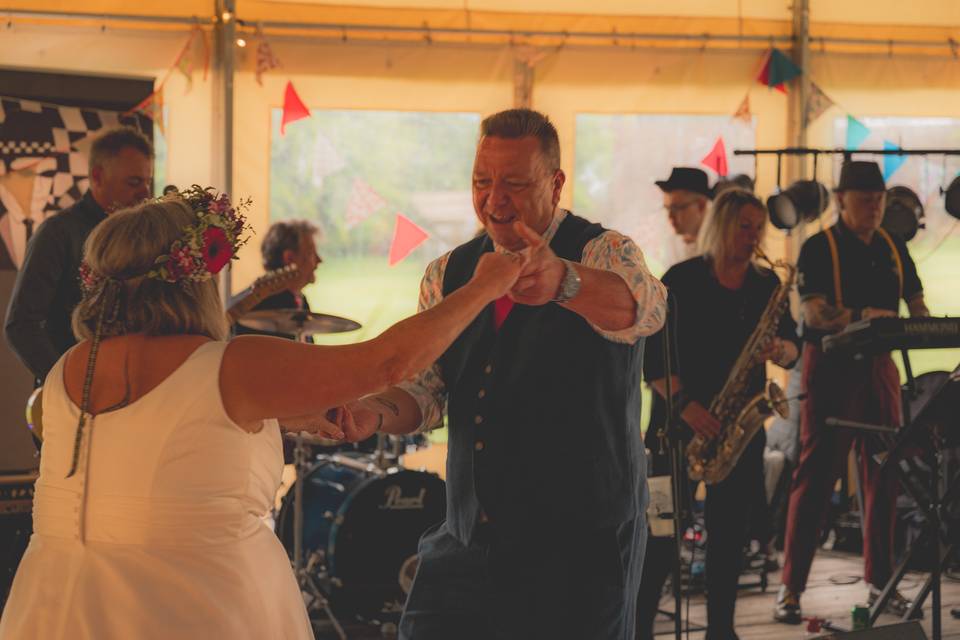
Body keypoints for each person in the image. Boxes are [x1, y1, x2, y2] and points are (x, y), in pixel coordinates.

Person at [0, 188, 526, 640]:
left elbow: (154, 438)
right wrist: (483, 287)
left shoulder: (71, 367)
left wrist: (284, 418)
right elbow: (386, 363)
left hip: (60, 603)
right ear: (194, 278)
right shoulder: (231, 364)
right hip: (192, 605)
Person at [329, 108, 667, 640]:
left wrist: (563, 281)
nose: (494, 200)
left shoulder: (603, 250)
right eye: (482, 182)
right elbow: (427, 389)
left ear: (555, 184)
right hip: (467, 539)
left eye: (514, 183)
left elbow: (645, 309)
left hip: (580, 545)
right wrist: (370, 413)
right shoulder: (449, 272)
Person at [635, 189, 800, 640]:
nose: (753, 237)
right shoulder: (681, 280)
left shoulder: (767, 285)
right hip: (676, 429)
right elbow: (650, 358)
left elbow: (793, 348)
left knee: (729, 541)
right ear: (722, 226)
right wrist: (687, 406)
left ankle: (722, 631)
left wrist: (780, 348)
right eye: (745, 227)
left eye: (758, 229)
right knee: (660, 538)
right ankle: (639, 629)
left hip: (739, 433)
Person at [775, 161, 929, 624]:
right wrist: (869, 315)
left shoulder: (895, 247)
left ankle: (882, 582)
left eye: (879, 200)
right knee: (815, 475)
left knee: (885, 475)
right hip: (831, 371)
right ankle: (791, 589)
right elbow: (814, 313)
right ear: (841, 200)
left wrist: (922, 323)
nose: (874, 208)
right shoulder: (820, 248)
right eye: (864, 200)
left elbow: (917, 304)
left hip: (880, 371)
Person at [4, 126, 154, 384]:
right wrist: (67, 383)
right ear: (97, 176)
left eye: (147, 182)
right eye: (134, 182)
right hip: (73, 398)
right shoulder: (58, 233)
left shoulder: (142, 236)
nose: (146, 194)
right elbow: (21, 325)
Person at [231, 219, 322, 339]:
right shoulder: (263, 310)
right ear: (289, 258)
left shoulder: (301, 300)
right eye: (311, 253)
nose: (319, 260)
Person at [655, 167, 712, 263]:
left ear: (701, 205)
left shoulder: (722, 245)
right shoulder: (671, 244)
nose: (670, 216)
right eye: (667, 208)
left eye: (676, 208)